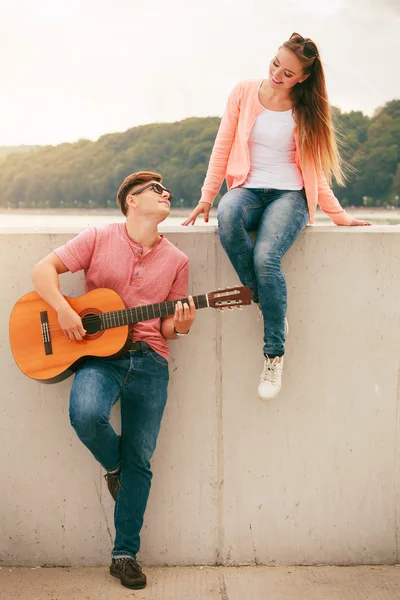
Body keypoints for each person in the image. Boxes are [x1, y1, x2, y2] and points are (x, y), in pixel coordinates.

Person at [183, 32, 371, 401]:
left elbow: (315, 171)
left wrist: (338, 215)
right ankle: (267, 304)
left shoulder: (308, 109)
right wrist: (208, 196)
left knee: (266, 255)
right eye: (275, 64)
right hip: (248, 189)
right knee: (227, 216)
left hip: (290, 195)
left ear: (302, 77)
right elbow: (222, 146)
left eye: (288, 73)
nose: (277, 75)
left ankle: (274, 354)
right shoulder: (242, 93)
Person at [31, 171, 196, 590]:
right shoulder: (99, 236)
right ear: (132, 202)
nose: (166, 194)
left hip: (149, 361)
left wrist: (183, 325)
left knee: (142, 459)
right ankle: (114, 466)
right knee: (86, 414)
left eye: (166, 190)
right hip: (99, 357)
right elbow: (42, 271)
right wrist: (65, 311)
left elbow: (165, 329)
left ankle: (124, 555)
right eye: (155, 190)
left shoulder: (177, 261)